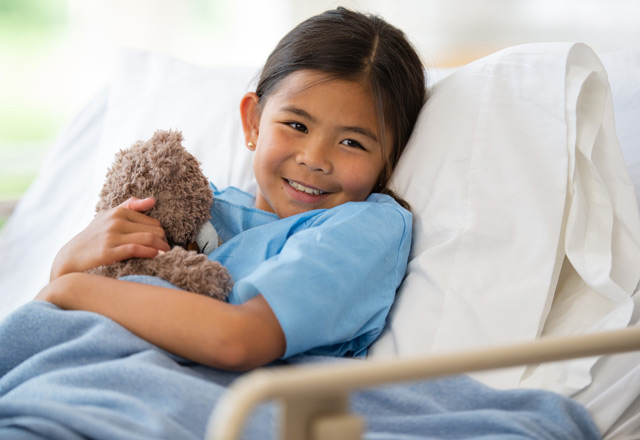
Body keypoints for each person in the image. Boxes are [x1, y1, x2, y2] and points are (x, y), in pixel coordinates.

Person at [36, 7, 426, 372]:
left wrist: (69, 287)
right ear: (253, 123)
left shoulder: (367, 226)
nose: (315, 158)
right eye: (297, 125)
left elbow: (238, 338)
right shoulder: (189, 203)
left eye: (352, 143)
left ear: (389, 160)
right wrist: (66, 263)